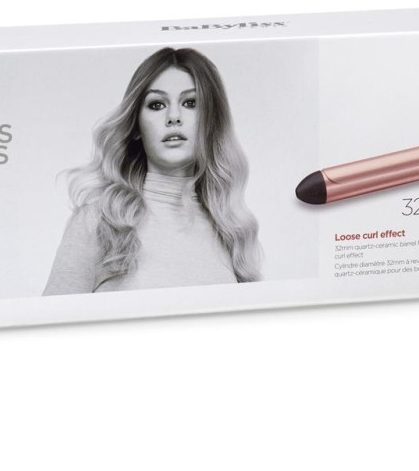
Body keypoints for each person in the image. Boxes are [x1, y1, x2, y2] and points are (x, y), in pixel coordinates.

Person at [43, 47, 262, 295]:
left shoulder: (232, 231)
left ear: (211, 122)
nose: (174, 117)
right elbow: (52, 317)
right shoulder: (100, 222)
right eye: (157, 105)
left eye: (190, 103)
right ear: (136, 125)